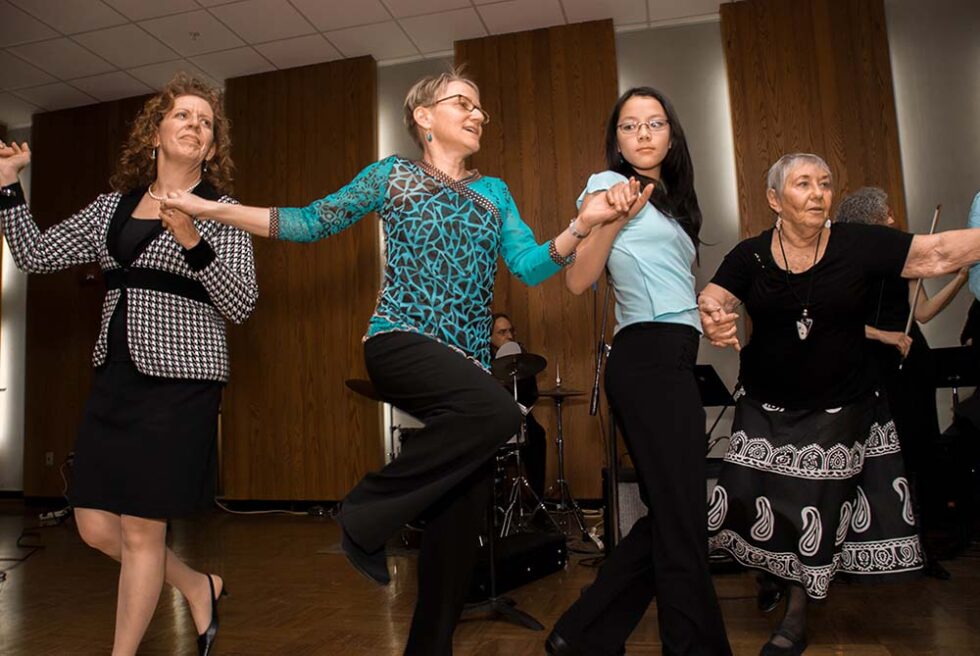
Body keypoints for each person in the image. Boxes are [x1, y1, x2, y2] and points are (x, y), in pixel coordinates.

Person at [160, 69, 645, 655]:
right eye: (462, 103)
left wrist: (581, 225)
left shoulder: (495, 193)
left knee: (458, 525)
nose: (477, 115)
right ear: (423, 116)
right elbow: (310, 221)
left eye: (481, 108)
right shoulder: (393, 174)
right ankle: (363, 512)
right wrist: (208, 212)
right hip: (400, 339)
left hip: (466, 365)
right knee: (500, 414)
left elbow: (533, 266)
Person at [0, 73, 257, 656]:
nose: (195, 125)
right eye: (182, 116)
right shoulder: (110, 207)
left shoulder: (224, 210)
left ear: (212, 148)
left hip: (182, 380)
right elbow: (38, 255)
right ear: (155, 135)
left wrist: (194, 240)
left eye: (206, 122)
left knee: (142, 529)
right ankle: (197, 584)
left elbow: (241, 302)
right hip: (115, 374)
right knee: (95, 526)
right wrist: (9, 187)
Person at [699, 153, 980, 656]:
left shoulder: (858, 244)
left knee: (815, 510)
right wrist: (714, 315)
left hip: (840, 405)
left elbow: (935, 253)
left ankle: (795, 617)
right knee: (746, 499)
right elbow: (714, 296)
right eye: (803, 183)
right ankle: (774, 573)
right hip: (765, 405)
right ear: (773, 199)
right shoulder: (751, 255)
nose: (817, 193)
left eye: (825, 183)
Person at [547, 87, 731, 656]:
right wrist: (611, 219)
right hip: (644, 358)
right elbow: (579, 280)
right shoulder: (608, 187)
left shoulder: (677, 204)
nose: (644, 134)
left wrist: (708, 309)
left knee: (674, 512)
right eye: (630, 126)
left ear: (671, 134)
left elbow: (667, 281)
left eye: (655, 123)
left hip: (676, 354)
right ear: (617, 139)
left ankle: (581, 633)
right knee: (682, 517)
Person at [836, 187, 967, 579]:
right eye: (886, 214)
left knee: (917, 449)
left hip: (913, 363)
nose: (894, 221)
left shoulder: (907, 261)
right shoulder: (849, 264)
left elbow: (922, 313)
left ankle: (920, 546)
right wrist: (887, 335)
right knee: (869, 455)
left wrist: (959, 278)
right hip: (872, 362)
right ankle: (855, 548)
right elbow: (840, 321)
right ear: (869, 221)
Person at [489, 312, 547, 498]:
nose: (509, 336)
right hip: (492, 418)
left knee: (537, 434)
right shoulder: (483, 357)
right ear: (490, 337)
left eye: (511, 331)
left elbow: (531, 394)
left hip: (519, 415)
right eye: (502, 332)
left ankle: (537, 501)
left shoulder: (522, 358)